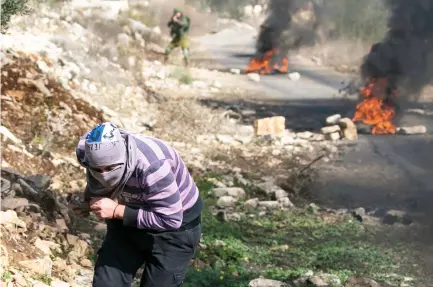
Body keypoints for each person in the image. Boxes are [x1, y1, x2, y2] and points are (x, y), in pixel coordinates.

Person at [74, 122, 203, 287]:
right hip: (127, 221)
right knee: (106, 283)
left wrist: (116, 211)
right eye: (98, 169)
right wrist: (88, 201)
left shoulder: (152, 166)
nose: (104, 175)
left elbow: (170, 219)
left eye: (110, 168)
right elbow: (98, 182)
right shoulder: (86, 152)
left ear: (124, 158)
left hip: (174, 229)